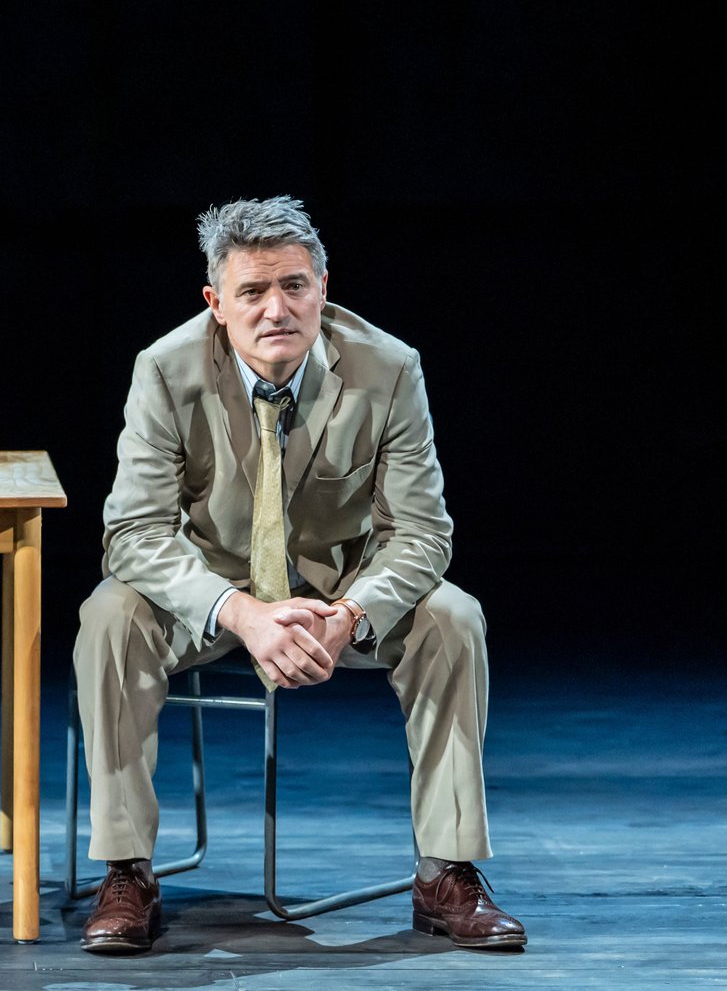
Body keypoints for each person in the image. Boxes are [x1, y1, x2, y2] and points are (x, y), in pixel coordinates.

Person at [73, 196, 525, 953]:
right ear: (216, 304)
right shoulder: (165, 369)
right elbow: (133, 533)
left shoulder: (388, 368)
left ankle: (446, 870)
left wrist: (349, 612)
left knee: (454, 616)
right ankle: (127, 869)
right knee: (109, 615)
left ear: (324, 285)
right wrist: (241, 611)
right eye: (252, 291)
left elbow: (420, 532)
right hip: (212, 591)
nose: (276, 307)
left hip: (342, 587)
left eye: (294, 285)